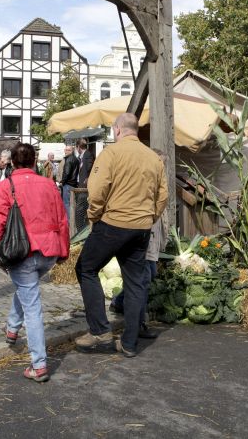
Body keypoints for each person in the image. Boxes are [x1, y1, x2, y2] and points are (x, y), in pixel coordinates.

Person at [75, 113, 168, 358]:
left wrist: (94, 216)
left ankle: (100, 331)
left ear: (117, 130)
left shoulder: (111, 153)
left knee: (85, 268)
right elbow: (163, 196)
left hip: (113, 223)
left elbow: (96, 190)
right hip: (142, 227)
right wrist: (150, 218)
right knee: (135, 282)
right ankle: (129, 343)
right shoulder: (153, 157)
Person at [0, 143, 69, 383]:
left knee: (32, 305)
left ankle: (39, 365)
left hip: (21, 252)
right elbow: (62, 219)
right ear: (34, 161)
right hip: (48, 252)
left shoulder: (6, 185)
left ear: (12, 163)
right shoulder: (48, 184)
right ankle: (12, 328)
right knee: (27, 290)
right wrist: (63, 250)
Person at [109, 149, 168, 341]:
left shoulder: (159, 181)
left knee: (146, 277)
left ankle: (120, 301)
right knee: (143, 280)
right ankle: (138, 323)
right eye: (160, 162)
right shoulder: (145, 181)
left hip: (150, 240)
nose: (162, 166)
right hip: (143, 237)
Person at [60, 145, 79, 212]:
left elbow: (67, 173)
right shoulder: (76, 159)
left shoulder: (69, 159)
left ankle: (69, 218)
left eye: (68, 150)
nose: (66, 152)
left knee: (67, 203)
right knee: (72, 203)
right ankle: (73, 218)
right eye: (65, 150)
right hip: (73, 184)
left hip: (68, 184)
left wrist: (62, 182)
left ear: (72, 151)